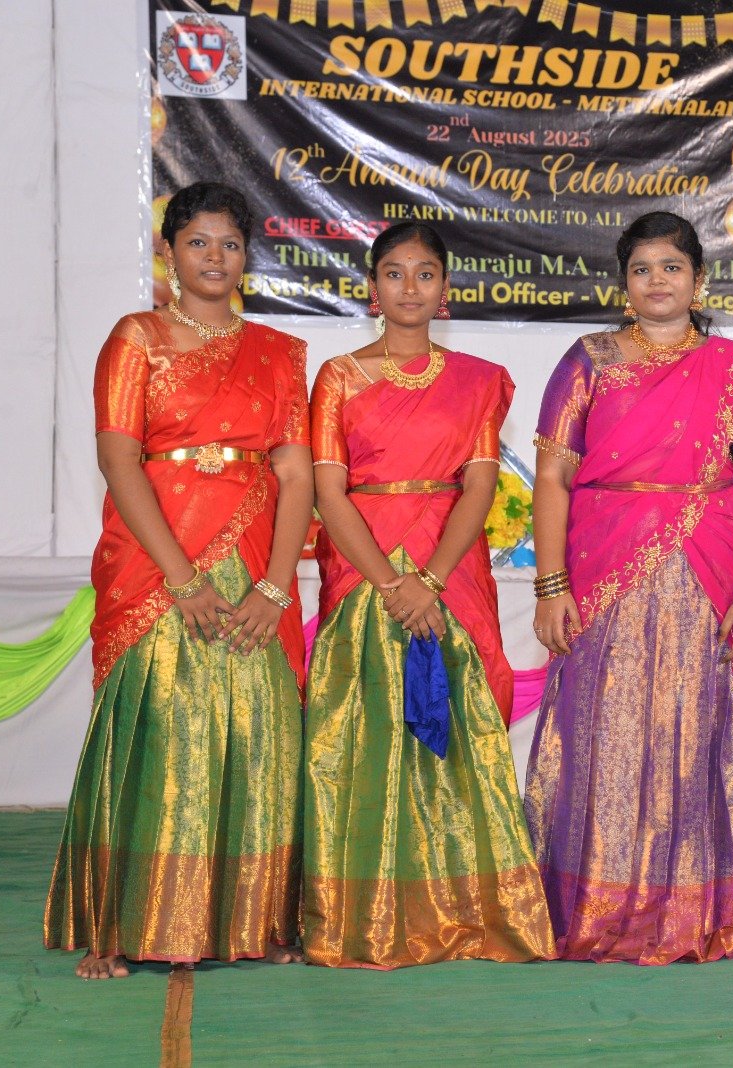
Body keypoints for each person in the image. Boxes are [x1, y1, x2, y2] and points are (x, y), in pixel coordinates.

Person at [45, 182, 312, 979]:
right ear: (168, 252)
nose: (214, 257)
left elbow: (295, 473)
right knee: (159, 727)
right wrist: (182, 577)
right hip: (158, 562)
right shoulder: (138, 338)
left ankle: (257, 921)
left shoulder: (279, 352)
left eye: (229, 244)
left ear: (246, 258)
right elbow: (119, 459)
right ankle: (120, 926)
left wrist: (274, 587)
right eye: (198, 242)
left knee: (259, 730)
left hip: (254, 561)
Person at [522, 211, 733, 965]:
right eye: (642, 269)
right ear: (624, 285)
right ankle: (595, 909)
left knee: (695, 734)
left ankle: (695, 913)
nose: (657, 281)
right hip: (603, 571)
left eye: (672, 267)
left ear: (699, 281)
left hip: (708, 574)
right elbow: (553, 475)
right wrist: (550, 585)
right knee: (604, 733)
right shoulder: (589, 361)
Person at [301, 222, 553, 968]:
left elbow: (479, 485)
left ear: (445, 290)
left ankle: (470, 912)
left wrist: (432, 580)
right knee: (360, 730)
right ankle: (360, 915)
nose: (409, 287)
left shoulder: (479, 379)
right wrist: (390, 582)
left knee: (462, 724)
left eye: (425, 273)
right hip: (363, 563)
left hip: (451, 566)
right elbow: (327, 490)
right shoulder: (338, 378)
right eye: (393, 273)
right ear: (370, 288)